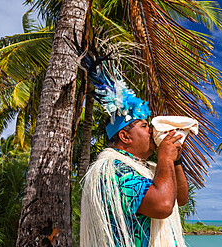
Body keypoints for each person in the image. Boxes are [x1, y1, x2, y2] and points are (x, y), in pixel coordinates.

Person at [79, 58, 189, 246]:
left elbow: (181, 198)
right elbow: (163, 205)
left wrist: (175, 161)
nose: (151, 131)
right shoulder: (113, 169)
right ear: (125, 137)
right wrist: (164, 157)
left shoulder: (146, 168)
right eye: (145, 126)